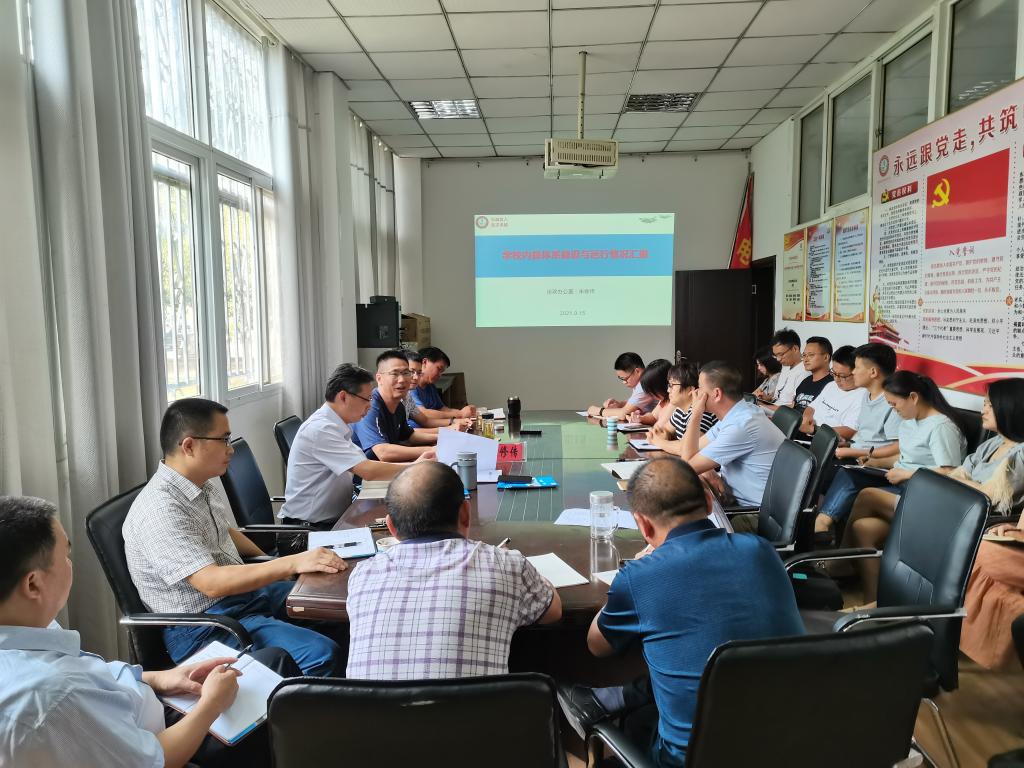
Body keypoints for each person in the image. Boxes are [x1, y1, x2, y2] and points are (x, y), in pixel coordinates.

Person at [0, 495, 301, 768]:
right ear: (33, 584)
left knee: (272, 662)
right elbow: (156, 760)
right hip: (163, 743)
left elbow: (92, 674)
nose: (70, 564)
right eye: (64, 556)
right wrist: (212, 704)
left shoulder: (24, 625)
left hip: (139, 709)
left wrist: (160, 679)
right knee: (281, 692)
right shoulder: (54, 698)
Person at [556, 458, 804, 767]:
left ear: (643, 524)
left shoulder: (640, 576)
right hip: (792, 742)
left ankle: (608, 702)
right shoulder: (760, 549)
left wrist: (631, 574)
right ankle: (615, 698)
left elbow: (596, 645)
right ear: (709, 502)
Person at [123, 398, 347, 677]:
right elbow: (211, 583)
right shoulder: (161, 510)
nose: (230, 449)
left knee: (337, 604)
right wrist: (290, 564)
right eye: (223, 440)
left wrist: (274, 566)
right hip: (207, 626)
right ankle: (302, 704)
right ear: (189, 446)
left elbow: (225, 531)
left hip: (241, 598)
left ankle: (356, 690)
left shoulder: (199, 485)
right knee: (322, 654)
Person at [345, 462, 562, 679]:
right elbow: (553, 611)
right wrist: (518, 568)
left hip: (372, 703)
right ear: (465, 513)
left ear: (391, 527)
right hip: (484, 703)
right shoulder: (507, 565)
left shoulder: (363, 575)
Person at [822, 372, 967, 582]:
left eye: (895, 404)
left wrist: (906, 474)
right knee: (863, 526)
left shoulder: (941, 427)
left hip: (928, 498)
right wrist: (877, 463)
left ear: (913, 397)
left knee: (868, 495)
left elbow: (949, 472)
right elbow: (906, 458)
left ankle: (839, 561)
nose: (894, 410)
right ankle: (872, 596)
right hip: (904, 488)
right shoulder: (910, 421)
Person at [280, 363, 436, 529]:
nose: (370, 405)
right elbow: (368, 471)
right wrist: (416, 467)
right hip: (310, 531)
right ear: (343, 397)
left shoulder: (336, 425)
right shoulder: (321, 429)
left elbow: (365, 466)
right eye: (366, 399)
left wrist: (415, 465)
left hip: (336, 517)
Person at [956, 379, 1024, 669]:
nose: (983, 409)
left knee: (975, 553)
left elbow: (992, 495)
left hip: (986, 519)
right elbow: (960, 476)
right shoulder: (994, 442)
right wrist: (1016, 529)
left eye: (989, 404)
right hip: (999, 526)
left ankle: (946, 630)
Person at [657, 361, 784, 508]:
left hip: (751, 512)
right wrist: (706, 469)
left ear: (716, 394)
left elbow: (688, 466)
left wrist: (696, 413)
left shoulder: (741, 425)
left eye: (700, 388)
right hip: (732, 499)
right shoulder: (737, 414)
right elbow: (693, 450)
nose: (695, 393)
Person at [352, 350, 438, 461]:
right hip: (365, 469)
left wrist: (442, 438)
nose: (402, 380)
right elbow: (383, 452)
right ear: (379, 378)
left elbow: (409, 436)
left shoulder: (399, 405)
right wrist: (432, 450)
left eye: (406, 373)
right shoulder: (369, 406)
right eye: (394, 374)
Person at [834, 343, 901, 461]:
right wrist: (848, 445)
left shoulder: (893, 403)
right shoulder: (866, 394)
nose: (853, 372)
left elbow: (898, 447)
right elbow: (863, 435)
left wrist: (855, 452)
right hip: (854, 455)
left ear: (873, 372)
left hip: (870, 463)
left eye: (857, 367)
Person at [647, 360, 716, 451]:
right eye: (669, 385)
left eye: (672, 385)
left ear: (690, 389)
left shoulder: (702, 412)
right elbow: (666, 430)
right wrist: (662, 434)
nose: (668, 390)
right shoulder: (680, 409)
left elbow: (687, 447)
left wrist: (659, 442)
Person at [798, 344, 862, 442]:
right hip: (807, 433)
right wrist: (806, 419)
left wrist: (814, 430)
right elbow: (811, 407)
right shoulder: (831, 385)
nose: (836, 379)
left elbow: (850, 430)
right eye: (834, 373)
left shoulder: (862, 397)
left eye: (842, 376)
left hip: (826, 441)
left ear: (857, 373)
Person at [403, 351, 473, 432]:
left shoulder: (407, 397)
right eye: (411, 372)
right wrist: (458, 416)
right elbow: (409, 434)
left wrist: (454, 421)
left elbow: (426, 421)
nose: (415, 377)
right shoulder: (408, 392)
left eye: (419, 373)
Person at [411, 346, 477, 419]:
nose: (440, 375)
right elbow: (422, 413)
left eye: (442, 372)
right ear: (425, 362)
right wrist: (460, 414)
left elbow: (441, 409)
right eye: (439, 369)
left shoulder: (430, 386)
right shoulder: (411, 386)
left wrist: (465, 412)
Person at [586, 352, 655, 420]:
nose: (624, 382)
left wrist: (599, 411)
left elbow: (624, 413)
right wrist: (619, 404)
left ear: (637, 371)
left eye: (625, 378)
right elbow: (635, 403)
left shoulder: (644, 385)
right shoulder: (643, 380)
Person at [762, 328, 808, 410]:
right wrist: (766, 398)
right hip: (773, 407)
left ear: (795, 349)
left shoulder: (805, 371)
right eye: (776, 355)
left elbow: (793, 406)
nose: (778, 359)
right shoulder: (785, 366)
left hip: (784, 414)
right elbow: (780, 396)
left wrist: (763, 407)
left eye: (781, 354)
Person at [626, 359, 674, 427]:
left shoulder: (673, 403)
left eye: (652, 392)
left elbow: (659, 427)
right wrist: (640, 418)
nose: (651, 395)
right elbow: (653, 417)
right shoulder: (663, 400)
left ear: (663, 385)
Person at [792, 336, 833, 413]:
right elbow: (793, 406)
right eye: (804, 355)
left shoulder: (833, 385)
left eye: (811, 355)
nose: (805, 360)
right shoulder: (805, 381)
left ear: (826, 357)